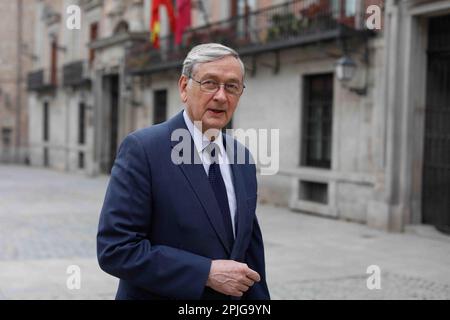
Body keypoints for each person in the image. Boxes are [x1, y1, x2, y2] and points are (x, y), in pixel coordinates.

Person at [97, 43, 270, 300]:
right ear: (183, 87)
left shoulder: (242, 157)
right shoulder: (144, 149)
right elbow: (116, 249)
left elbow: (249, 254)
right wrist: (205, 273)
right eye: (210, 83)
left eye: (232, 86)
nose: (221, 96)